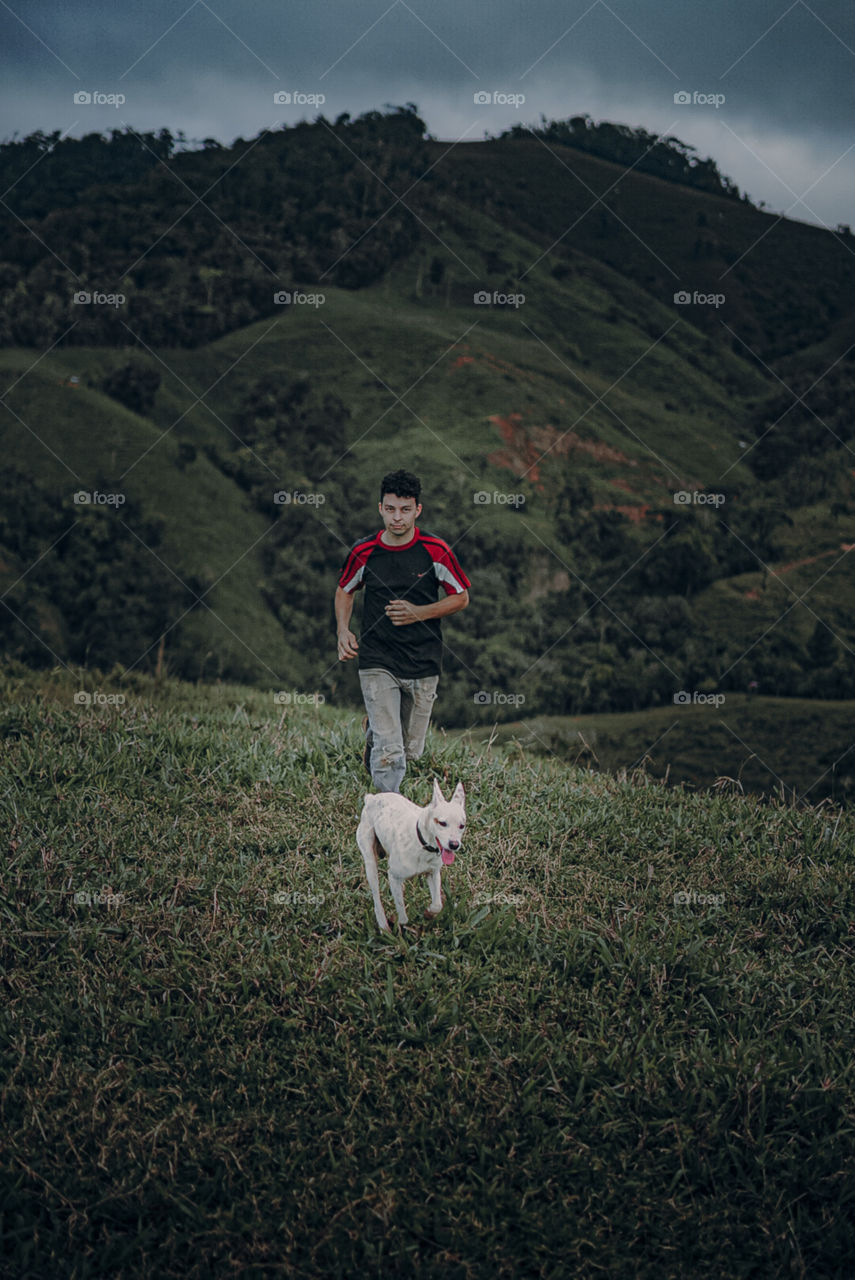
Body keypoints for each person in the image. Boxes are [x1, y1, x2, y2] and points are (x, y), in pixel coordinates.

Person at [335, 469, 470, 792]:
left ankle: (374, 735)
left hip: (423, 661)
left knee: (411, 751)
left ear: (417, 510)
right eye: (391, 509)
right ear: (380, 507)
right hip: (377, 658)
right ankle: (386, 810)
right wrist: (343, 630)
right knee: (392, 751)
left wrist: (418, 613)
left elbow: (461, 597)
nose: (397, 518)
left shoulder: (435, 550)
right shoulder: (363, 551)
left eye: (405, 510)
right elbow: (344, 590)